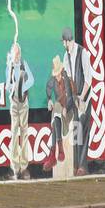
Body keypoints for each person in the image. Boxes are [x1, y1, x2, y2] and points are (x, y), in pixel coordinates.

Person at [62, 26, 93, 175]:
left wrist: (82, 97)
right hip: (75, 98)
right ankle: (76, 165)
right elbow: (68, 78)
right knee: (76, 130)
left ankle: (82, 166)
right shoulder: (66, 56)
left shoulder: (83, 53)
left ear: (69, 40)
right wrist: (70, 99)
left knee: (84, 130)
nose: (63, 45)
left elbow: (88, 79)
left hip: (85, 98)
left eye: (64, 42)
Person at [5, 41, 34, 179]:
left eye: (18, 53)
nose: (16, 55)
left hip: (23, 103)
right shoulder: (9, 67)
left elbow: (31, 80)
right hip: (14, 103)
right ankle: (15, 167)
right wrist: (10, 87)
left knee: (24, 132)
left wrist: (23, 87)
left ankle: (24, 166)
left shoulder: (23, 64)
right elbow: (7, 85)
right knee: (14, 133)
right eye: (14, 52)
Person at [43, 55, 74, 171]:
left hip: (68, 111)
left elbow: (70, 97)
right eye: (54, 74)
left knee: (56, 111)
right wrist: (49, 99)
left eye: (57, 73)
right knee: (56, 110)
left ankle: (53, 153)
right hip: (58, 111)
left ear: (61, 70)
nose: (56, 76)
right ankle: (59, 149)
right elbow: (48, 88)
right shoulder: (53, 80)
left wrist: (66, 107)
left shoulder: (66, 79)